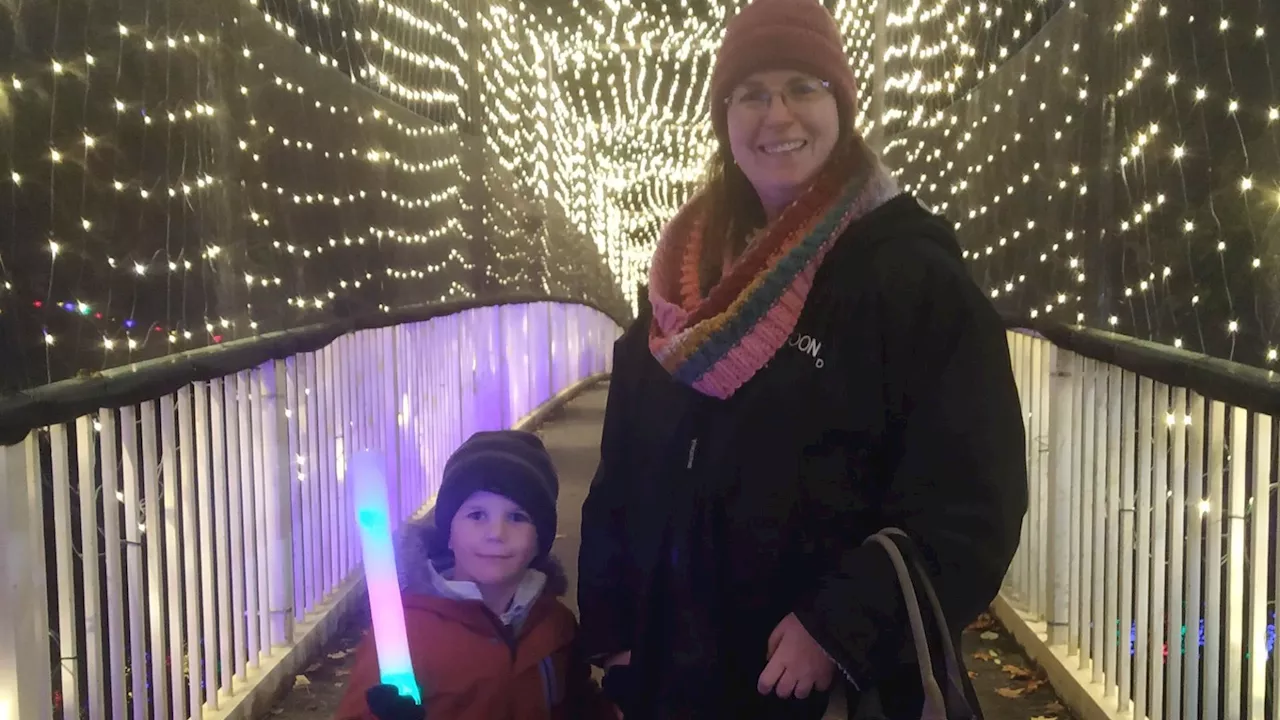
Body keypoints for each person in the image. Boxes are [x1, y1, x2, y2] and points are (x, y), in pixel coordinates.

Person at [576, 0, 1029, 717]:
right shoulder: (680, 287)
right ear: (724, 120)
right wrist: (616, 634)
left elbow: (972, 500)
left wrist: (844, 628)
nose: (777, 114)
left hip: (821, 688)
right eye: (751, 94)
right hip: (677, 678)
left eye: (803, 88)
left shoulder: (910, 278)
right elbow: (623, 470)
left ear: (842, 107)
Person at [334, 430, 614, 720]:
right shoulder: (407, 632)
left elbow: (576, 704)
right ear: (449, 534)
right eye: (477, 515)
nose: (496, 533)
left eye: (517, 517)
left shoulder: (553, 624)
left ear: (539, 542)